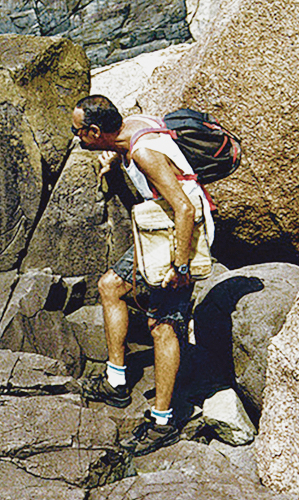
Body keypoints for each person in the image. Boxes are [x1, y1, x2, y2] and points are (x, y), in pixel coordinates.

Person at [71, 96, 214, 456]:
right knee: (111, 287)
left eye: (78, 132)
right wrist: (113, 165)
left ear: (95, 131)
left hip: (181, 235)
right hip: (156, 232)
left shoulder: (144, 153)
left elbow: (183, 206)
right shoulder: (131, 129)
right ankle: (117, 382)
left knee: (163, 326)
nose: (76, 139)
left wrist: (180, 267)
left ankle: (163, 420)